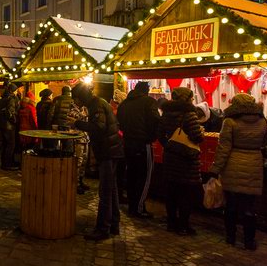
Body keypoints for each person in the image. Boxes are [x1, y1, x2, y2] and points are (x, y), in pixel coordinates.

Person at [209, 94, 267, 250]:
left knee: (231, 205)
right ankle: (249, 240)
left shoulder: (230, 121)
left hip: (233, 164)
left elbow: (223, 148)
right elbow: (265, 141)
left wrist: (215, 169)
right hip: (254, 164)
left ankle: (231, 237)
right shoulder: (263, 121)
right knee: (249, 206)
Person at [71, 82, 123, 242]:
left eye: (76, 99)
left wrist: (77, 123)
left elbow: (98, 127)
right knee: (112, 189)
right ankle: (113, 224)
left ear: (81, 97)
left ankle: (103, 228)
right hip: (112, 150)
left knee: (105, 192)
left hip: (108, 151)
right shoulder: (98, 102)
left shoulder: (96, 105)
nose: (75, 102)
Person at [158, 87, 204, 236]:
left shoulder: (166, 113)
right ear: (187, 98)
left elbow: (159, 133)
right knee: (186, 193)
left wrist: (169, 145)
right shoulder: (190, 114)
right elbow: (197, 136)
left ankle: (172, 223)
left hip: (170, 158)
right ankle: (184, 225)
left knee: (171, 192)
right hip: (186, 159)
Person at [117, 81, 160, 218]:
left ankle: (132, 206)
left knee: (131, 175)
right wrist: (151, 137)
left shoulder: (124, 103)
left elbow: (120, 122)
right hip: (143, 144)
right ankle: (138, 208)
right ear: (145, 90)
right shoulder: (149, 102)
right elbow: (156, 121)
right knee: (144, 177)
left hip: (128, 143)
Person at [68, 102, 90, 194]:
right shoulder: (72, 109)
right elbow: (72, 122)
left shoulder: (84, 108)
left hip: (85, 138)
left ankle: (81, 180)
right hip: (77, 139)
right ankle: (75, 184)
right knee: (78, 162)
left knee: (84, 161)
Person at [0, 84, 20, 171]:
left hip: (2, 125)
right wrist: (15, 121)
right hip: (9, 126)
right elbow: (10, 113)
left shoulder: (2, 99)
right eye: (16, 90)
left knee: (5, 144)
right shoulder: (11, 99)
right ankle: (8, 163)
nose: (17, 92)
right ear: (13, 91)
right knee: (11, 145)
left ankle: (4, 162)